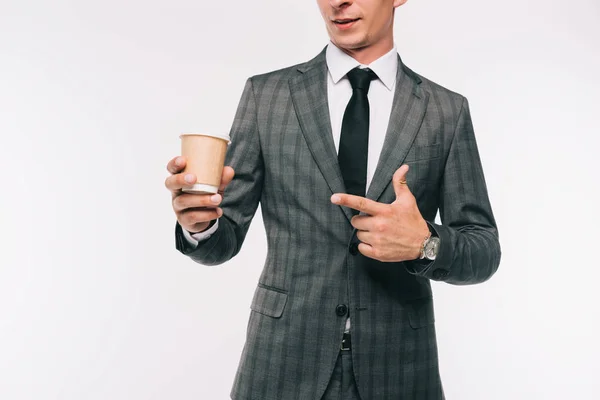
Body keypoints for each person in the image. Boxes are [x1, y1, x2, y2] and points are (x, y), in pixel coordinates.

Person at [165, 0, 501, 398]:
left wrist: (422, 243)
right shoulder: (267, 96)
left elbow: (483, 249)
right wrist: (200, 226)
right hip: (281, 364)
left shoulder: (445, 110)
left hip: (401, 370)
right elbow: (223, 241)